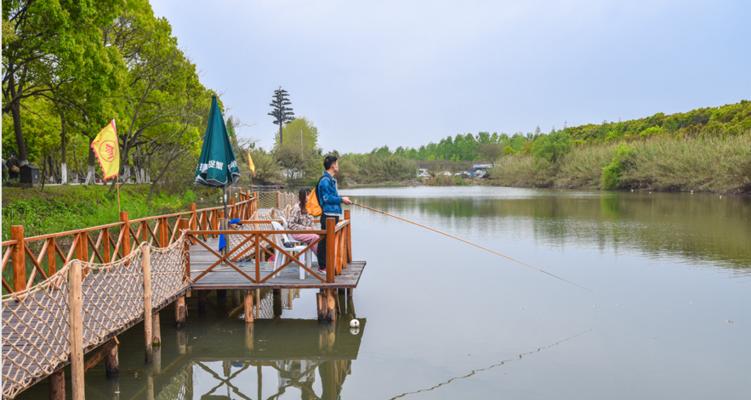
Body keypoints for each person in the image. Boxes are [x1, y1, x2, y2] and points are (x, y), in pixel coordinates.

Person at [316, 155, 351, 271]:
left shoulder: (331, 180)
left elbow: (333, 197)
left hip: (333, 215)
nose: (338, 166)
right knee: (324, 241)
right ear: (332, 165)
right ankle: (322, 267)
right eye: (337, 163)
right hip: (327, 215)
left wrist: (343, 200)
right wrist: (342, 199)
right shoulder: (325, 181)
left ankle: (329, 265)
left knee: (330, 241)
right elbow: (327, 199)